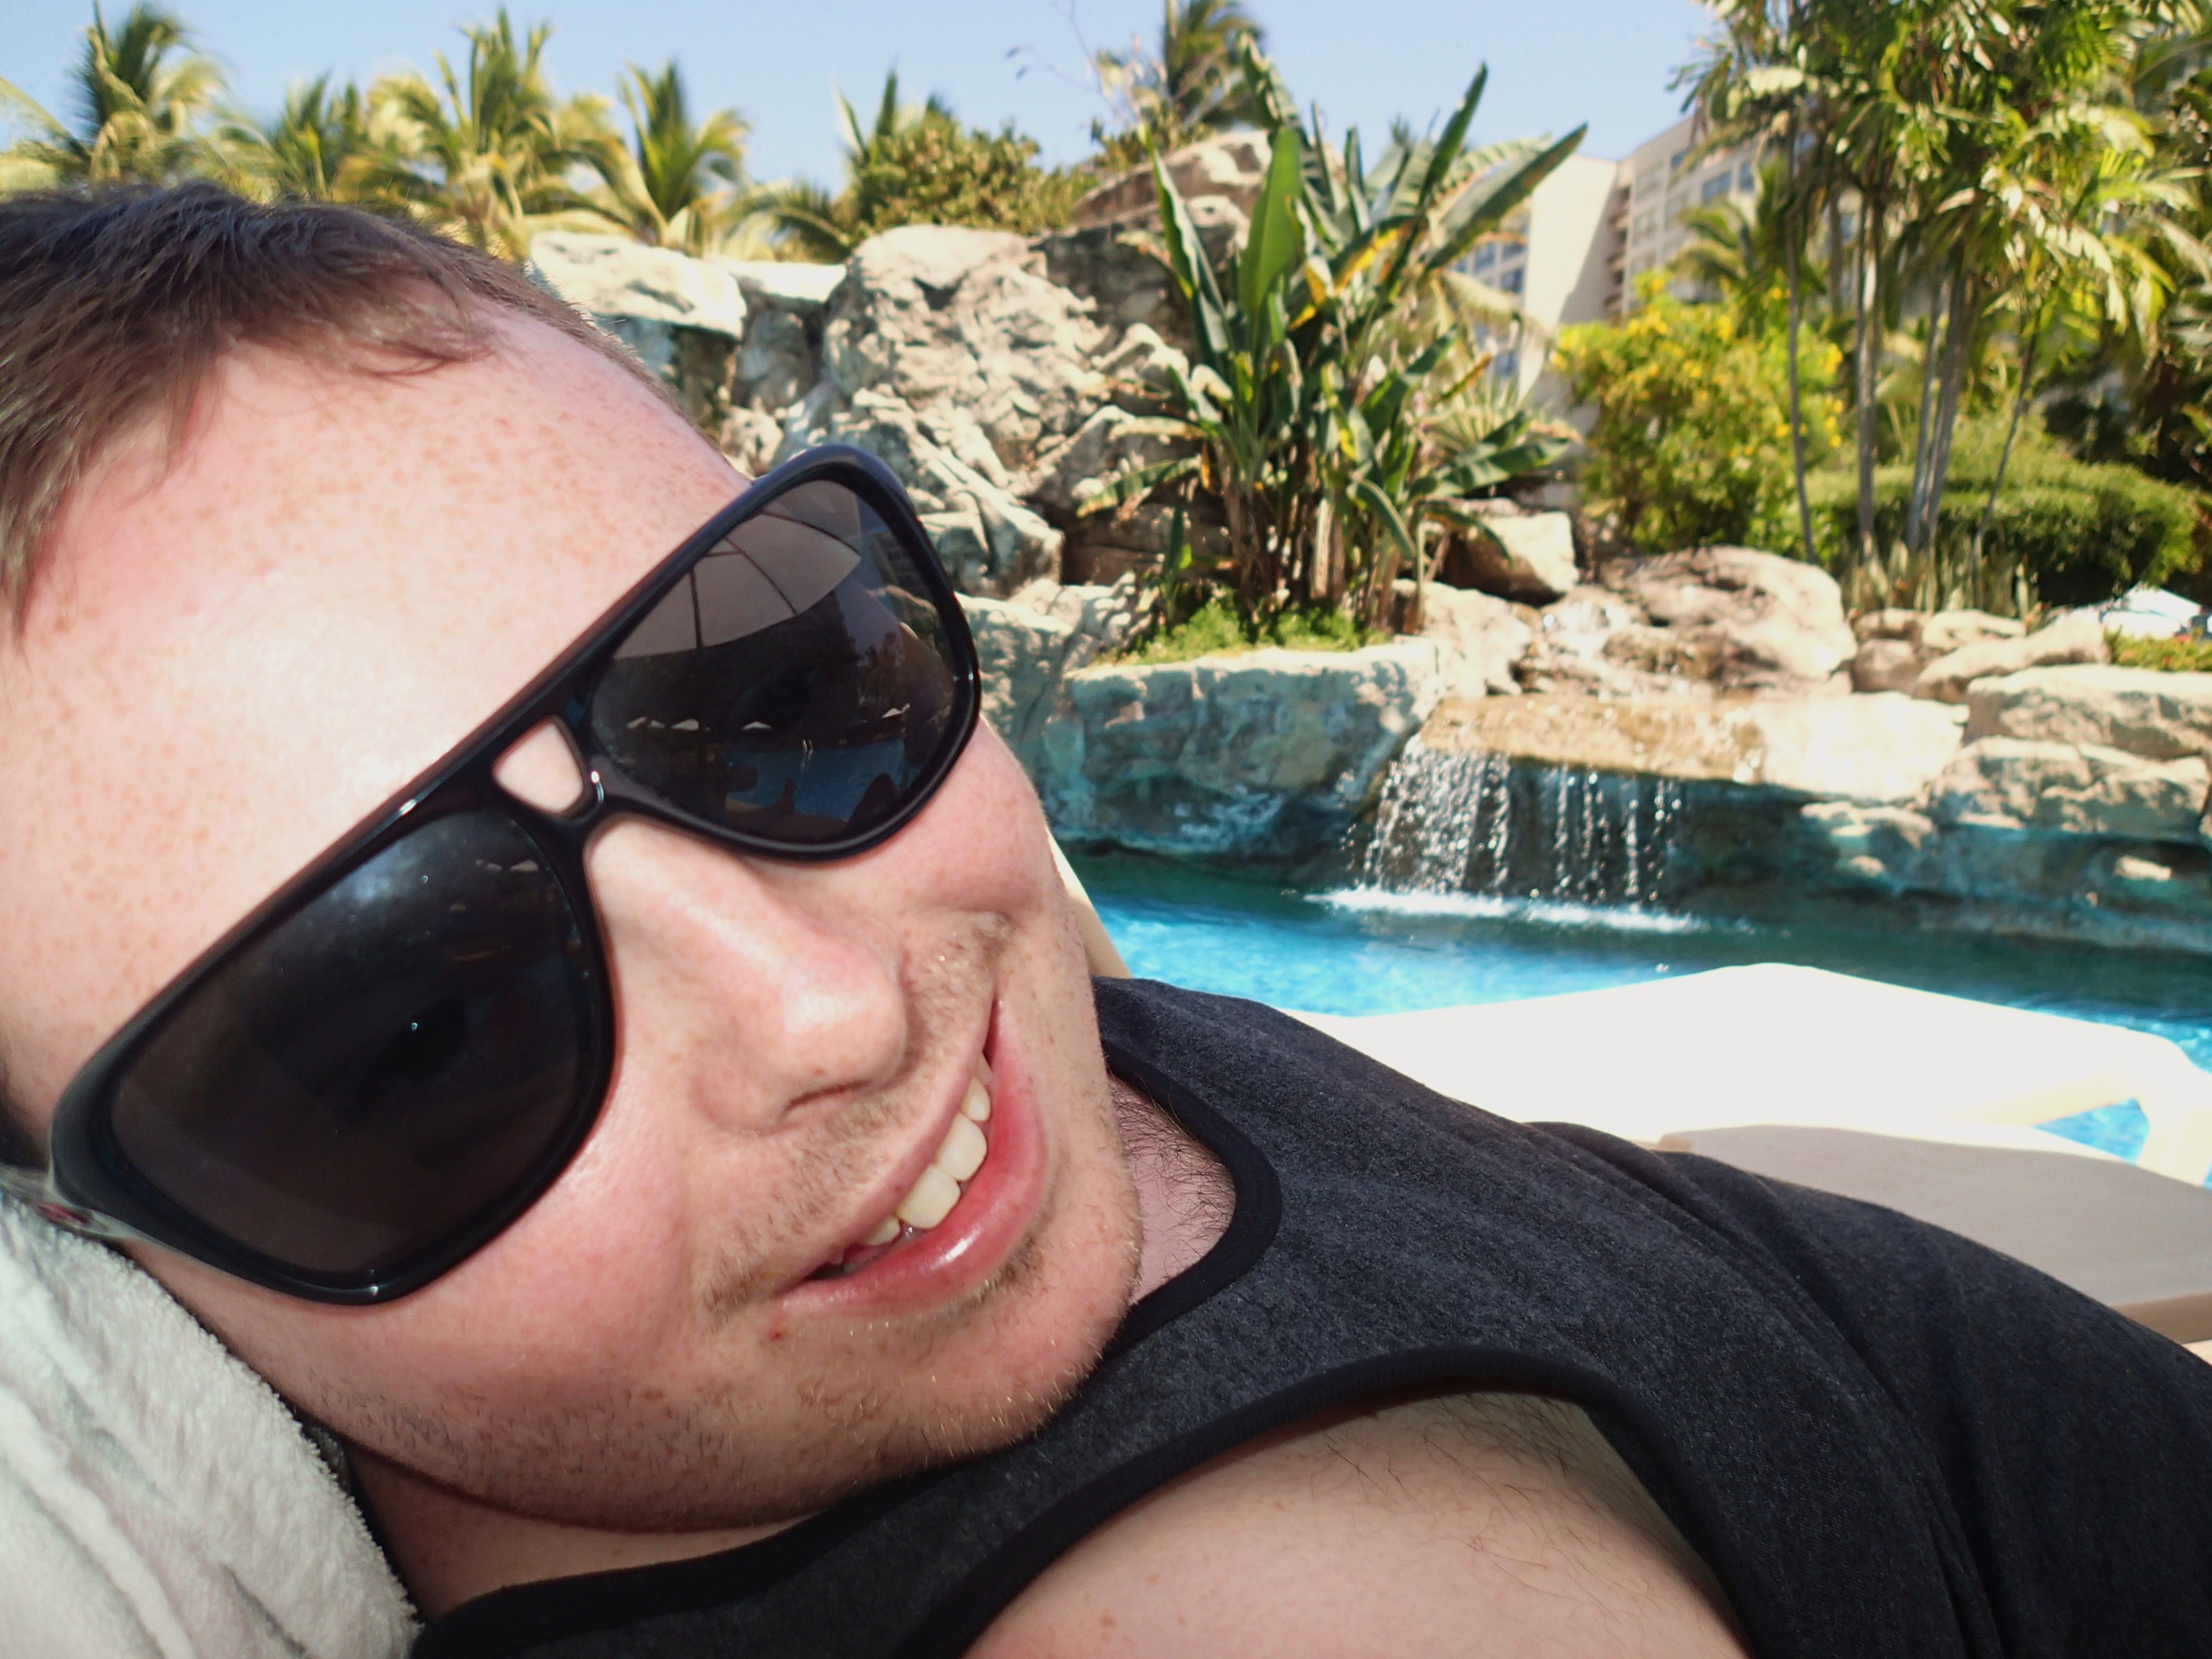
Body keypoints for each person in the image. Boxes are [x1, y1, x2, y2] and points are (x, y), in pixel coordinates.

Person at [0, 185, 2206, 1659]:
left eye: (768, 690)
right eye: (413, 1032)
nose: (834, 1005)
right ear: (84, 1227)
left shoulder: (958, 1000)